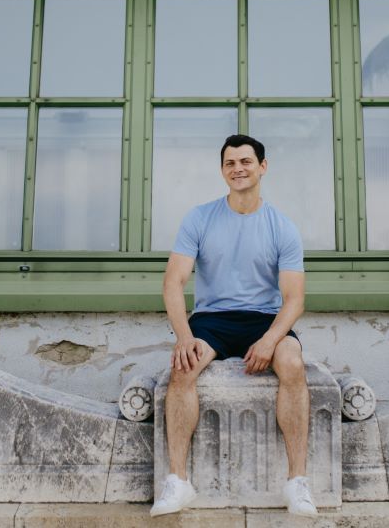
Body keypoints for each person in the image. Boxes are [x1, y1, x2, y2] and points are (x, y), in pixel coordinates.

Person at [150, 134, 316, 518]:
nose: (237, 169)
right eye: (230, 163)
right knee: (183, 367)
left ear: (262, 166)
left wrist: (271, 340)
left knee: (292, 363)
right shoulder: (199, 217)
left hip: (264, 320)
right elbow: (173, 282)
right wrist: (184, 337)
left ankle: (297, 483)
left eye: (245, 161)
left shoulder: (282, 226)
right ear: (222, 170)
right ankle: (178, 482)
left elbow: (294, 299)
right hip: (212, 320)